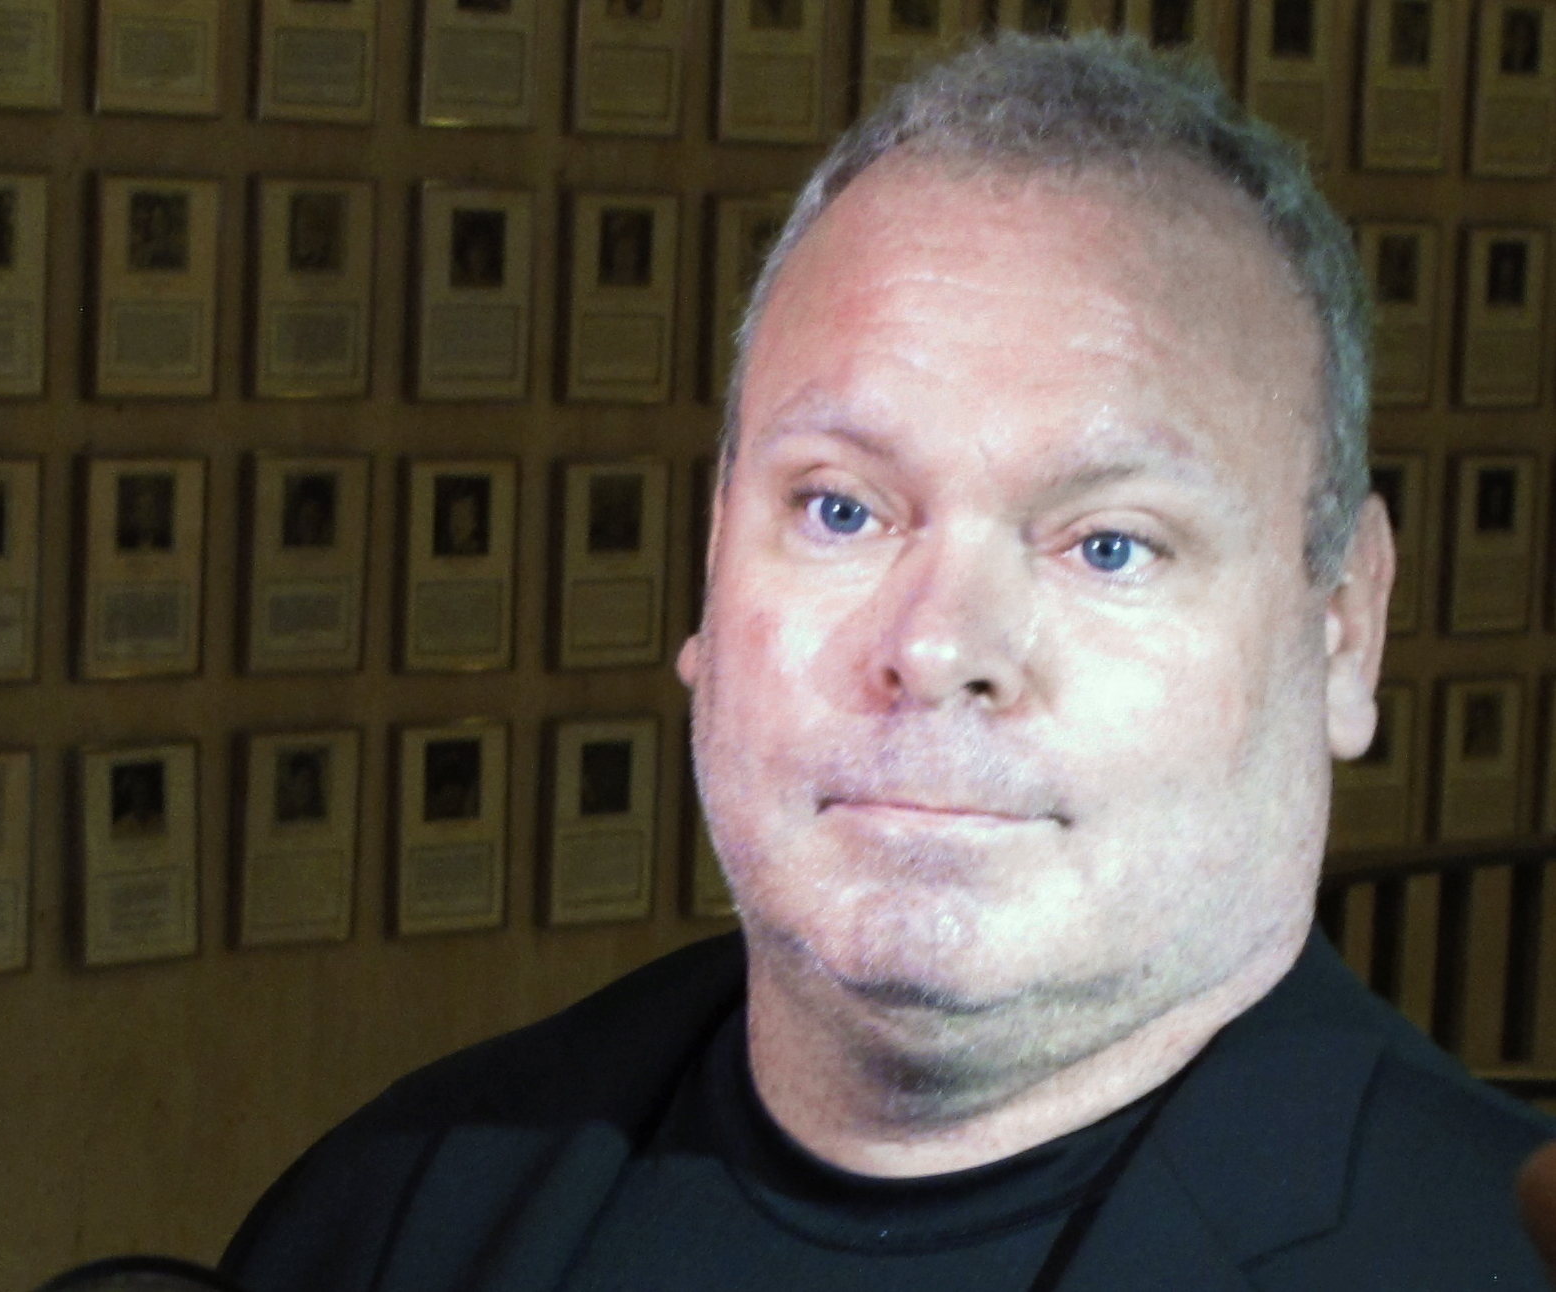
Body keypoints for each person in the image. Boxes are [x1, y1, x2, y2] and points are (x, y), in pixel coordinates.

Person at [221, 35, 1556, 1291]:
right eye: (842, 509)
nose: (935, 647)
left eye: (1109, 546)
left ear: (1343, 629)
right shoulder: (397, 1215)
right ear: (709, 567)